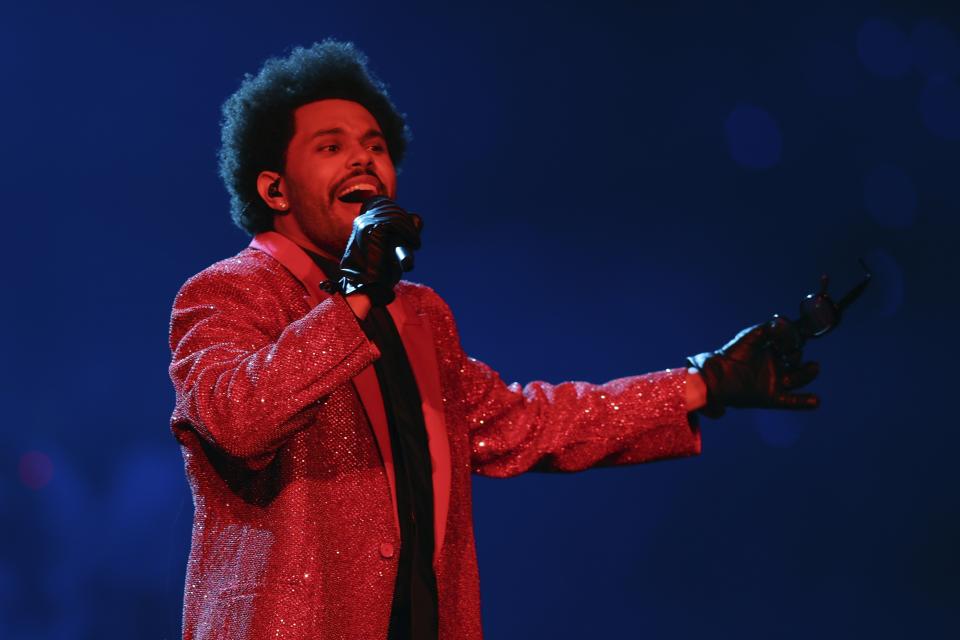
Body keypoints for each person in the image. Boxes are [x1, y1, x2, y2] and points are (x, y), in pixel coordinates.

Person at [167, 39, 821, 640]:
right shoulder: (227, 292)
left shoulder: (419, 315)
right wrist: (353, 298)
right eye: (331, 145)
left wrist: (702, 383)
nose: (364, 157)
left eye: (375, 144)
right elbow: (236, 421)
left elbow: (527, 424)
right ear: (273, 187)